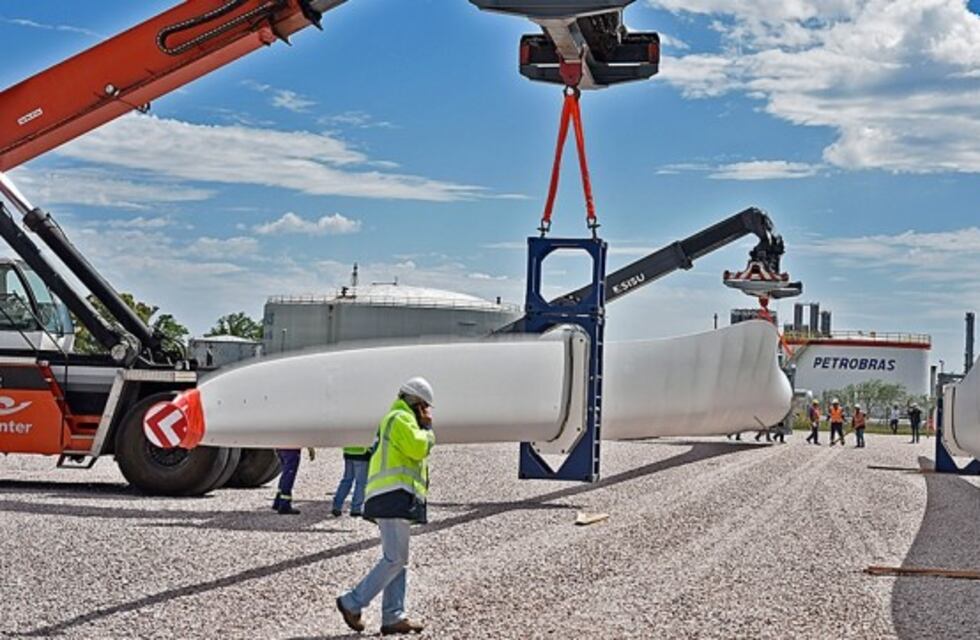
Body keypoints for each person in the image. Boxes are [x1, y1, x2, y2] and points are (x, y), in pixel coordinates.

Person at [337, 377, 435, 636]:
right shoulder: (400, 419)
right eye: (425, 406)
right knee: (395, 558)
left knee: (398, 560)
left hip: (394, 496)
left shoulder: (399, 419)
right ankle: (352, 602)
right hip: (392, 496)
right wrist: (428, 430)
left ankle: (393, 616)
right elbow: (417, 448)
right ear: (415, 403)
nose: (428, 412)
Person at [332, 443, 371, 517]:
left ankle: (336, 506)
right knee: (361, 483)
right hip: (362, 452)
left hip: (348, 451)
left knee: (347, 480)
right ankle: (356, 508)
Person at [272, 448, 302, 515]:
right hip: (291, 448)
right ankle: (284, 505)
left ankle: (278, 502)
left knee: (285, 473)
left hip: (281, 447)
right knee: (288, 475)